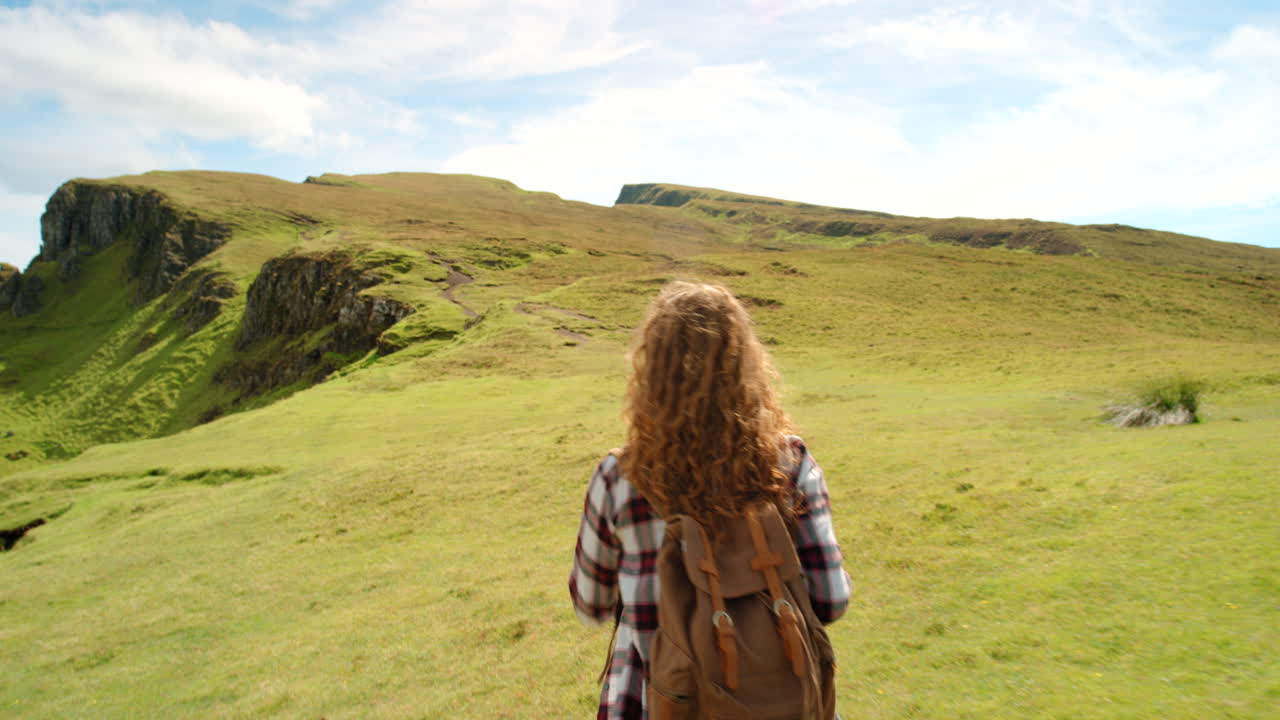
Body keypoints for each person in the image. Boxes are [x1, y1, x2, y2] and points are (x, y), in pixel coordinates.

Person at [569, 281, 852, 720]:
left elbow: (589, 603)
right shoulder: (791, 465)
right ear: (745, 367)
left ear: (652, 375)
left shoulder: (618, 478)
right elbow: (831, 599)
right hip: (778, 702)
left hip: (652, 703)